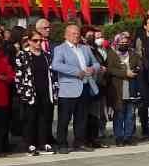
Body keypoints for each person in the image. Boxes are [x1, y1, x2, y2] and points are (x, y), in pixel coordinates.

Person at [50, 23, 101, 153]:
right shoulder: (60, 49)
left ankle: (80, 142)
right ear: (66, 35)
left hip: (84, 86)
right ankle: (62, 144)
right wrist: (75, 71)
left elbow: (96, 63)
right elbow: (56, 65)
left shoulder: (85, 48)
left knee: (81, 118)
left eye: (77, 33)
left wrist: (92, 69)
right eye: (73, 33)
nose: (76, 35)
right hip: (68, 90)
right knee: (64, 119)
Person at [14, 30, 55, 155]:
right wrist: (22, 92)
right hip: (30, 92)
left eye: (40, 40)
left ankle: (43, 142)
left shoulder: (46, 55)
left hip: (45, 91)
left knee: (44, 118)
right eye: (35, 40)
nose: (38, 43)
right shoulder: (22, 55)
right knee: (30, 119)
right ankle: (30, 144)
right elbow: (18, 76)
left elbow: (52, 74)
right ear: (29, 41)